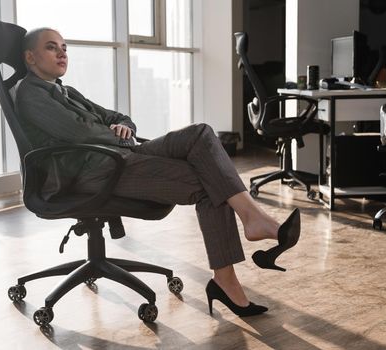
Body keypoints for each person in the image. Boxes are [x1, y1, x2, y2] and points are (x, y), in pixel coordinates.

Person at [15, 27, 301, 317]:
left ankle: (252, 220)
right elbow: (79, 133)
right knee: (208, 182)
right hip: (95, 172)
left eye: (64, 46)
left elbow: (115, 117)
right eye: (52, 47)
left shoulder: (66, 90)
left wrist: (124, 127)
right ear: (30, 57)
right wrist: (120, 137)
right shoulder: (31, 94)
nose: (62, 52)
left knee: (200, 134)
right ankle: (228, 276)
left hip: (117, 156)